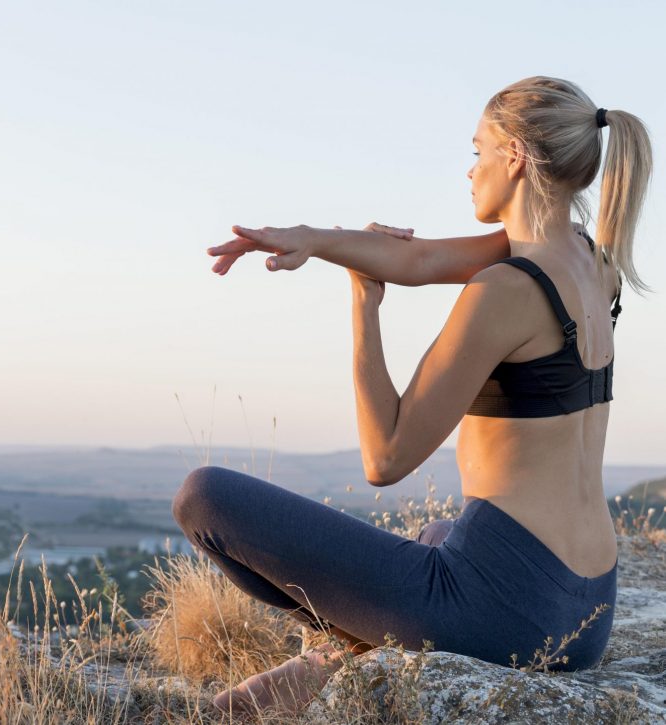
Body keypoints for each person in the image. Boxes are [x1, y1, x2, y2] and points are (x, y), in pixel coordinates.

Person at [171, 76, 653, 717]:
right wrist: (313, 239)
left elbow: (386, 458)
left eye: (478, 150)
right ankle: (338, 655)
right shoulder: (592, 261)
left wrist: (362, 304)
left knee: (203, 498)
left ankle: (327, 655)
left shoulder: (504, 291)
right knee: (436, 533)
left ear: (514, 156)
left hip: (514, 617)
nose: (470, 169)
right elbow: (421, 259)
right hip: (586, 611)